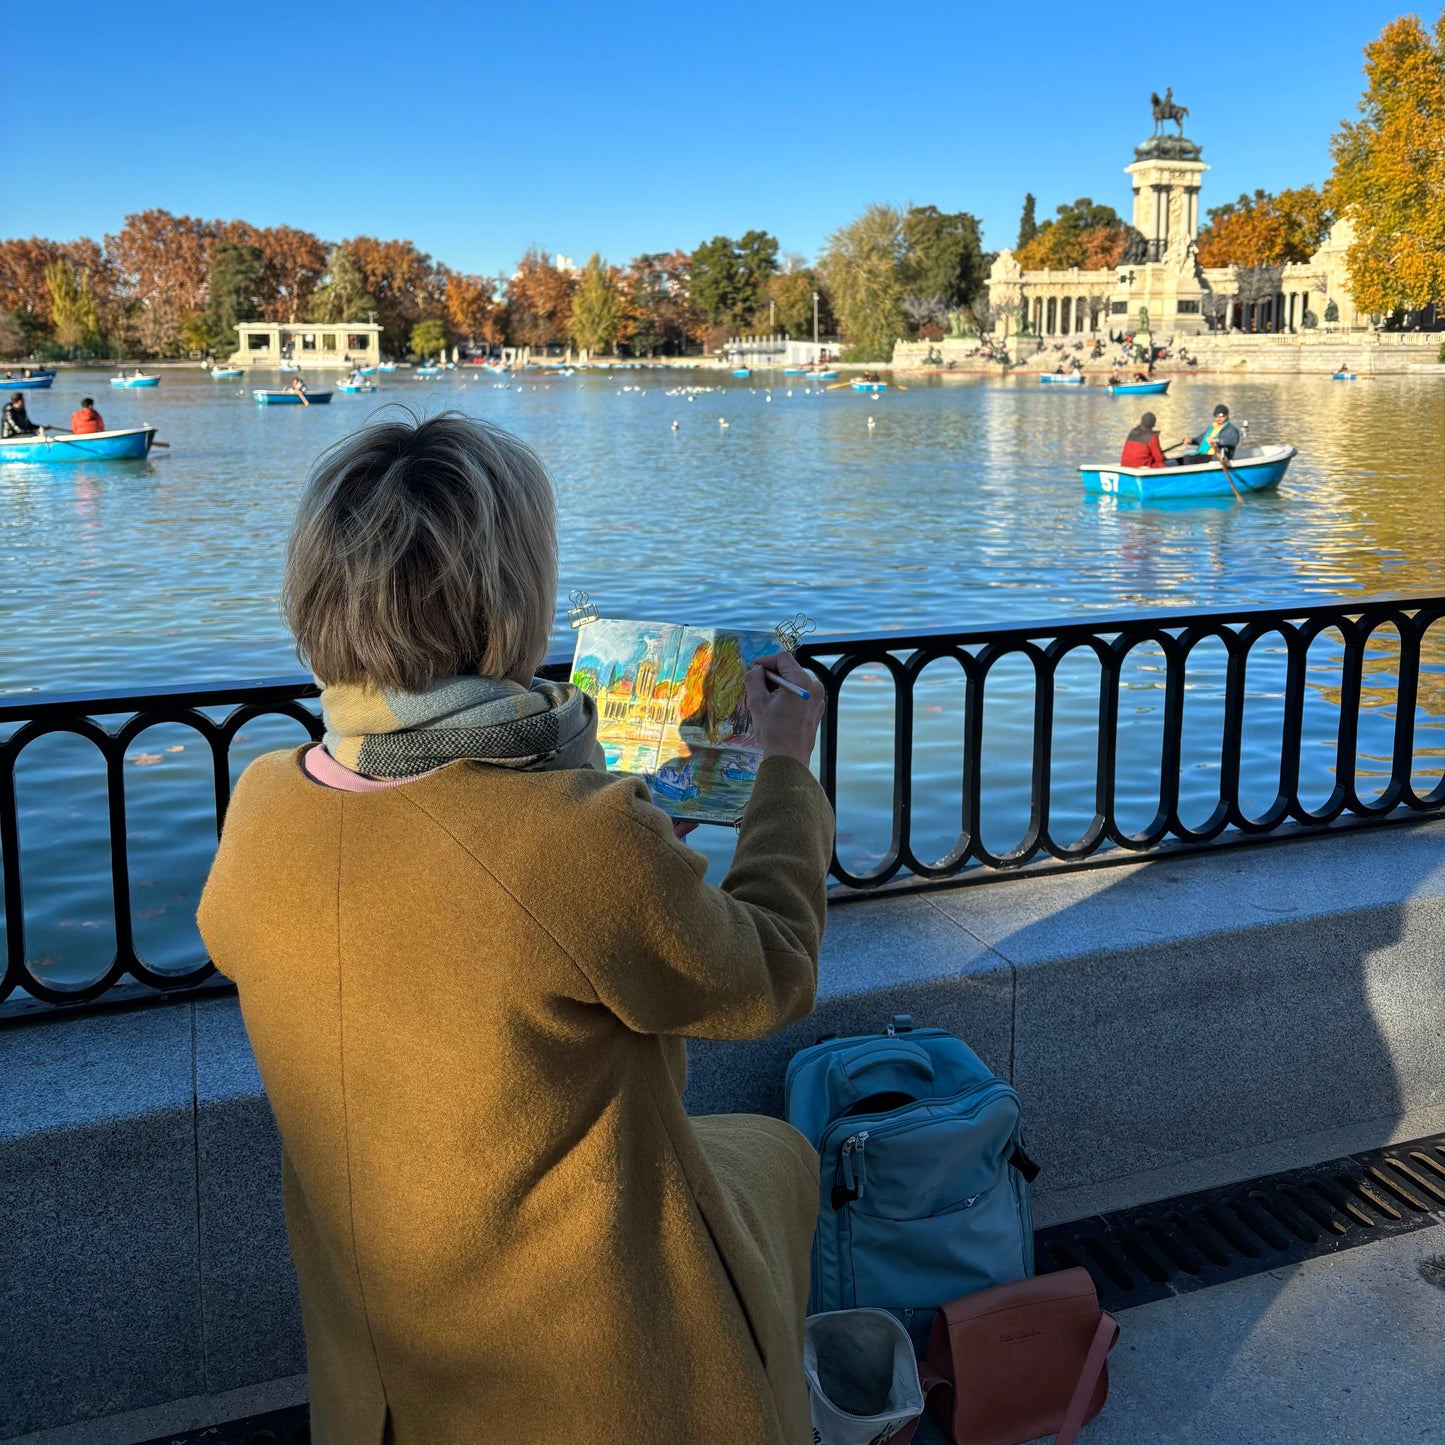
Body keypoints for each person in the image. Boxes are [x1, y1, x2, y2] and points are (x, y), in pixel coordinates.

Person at [196, 412, 833, 1445]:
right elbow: (768, 972)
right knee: (777, 1154)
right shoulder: (569, 842)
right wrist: (785, 773)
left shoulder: (263, 805)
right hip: (586, 1361)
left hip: (382, 1343)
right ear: (514, 599)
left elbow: (443, 904)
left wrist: (618, 833)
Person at [1172, 402, 1240, 466]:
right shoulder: (1212, 428)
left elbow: (1233, 440)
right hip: (1205, 455)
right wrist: (1191, 441)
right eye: (1216, 416)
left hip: (1217, 457)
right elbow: (1200, 439)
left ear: (1227, 416)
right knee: (1179, 460)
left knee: (1188, 459)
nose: (1218, 418)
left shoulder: (1231, 429)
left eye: (1221, 416)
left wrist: (1216, 440)